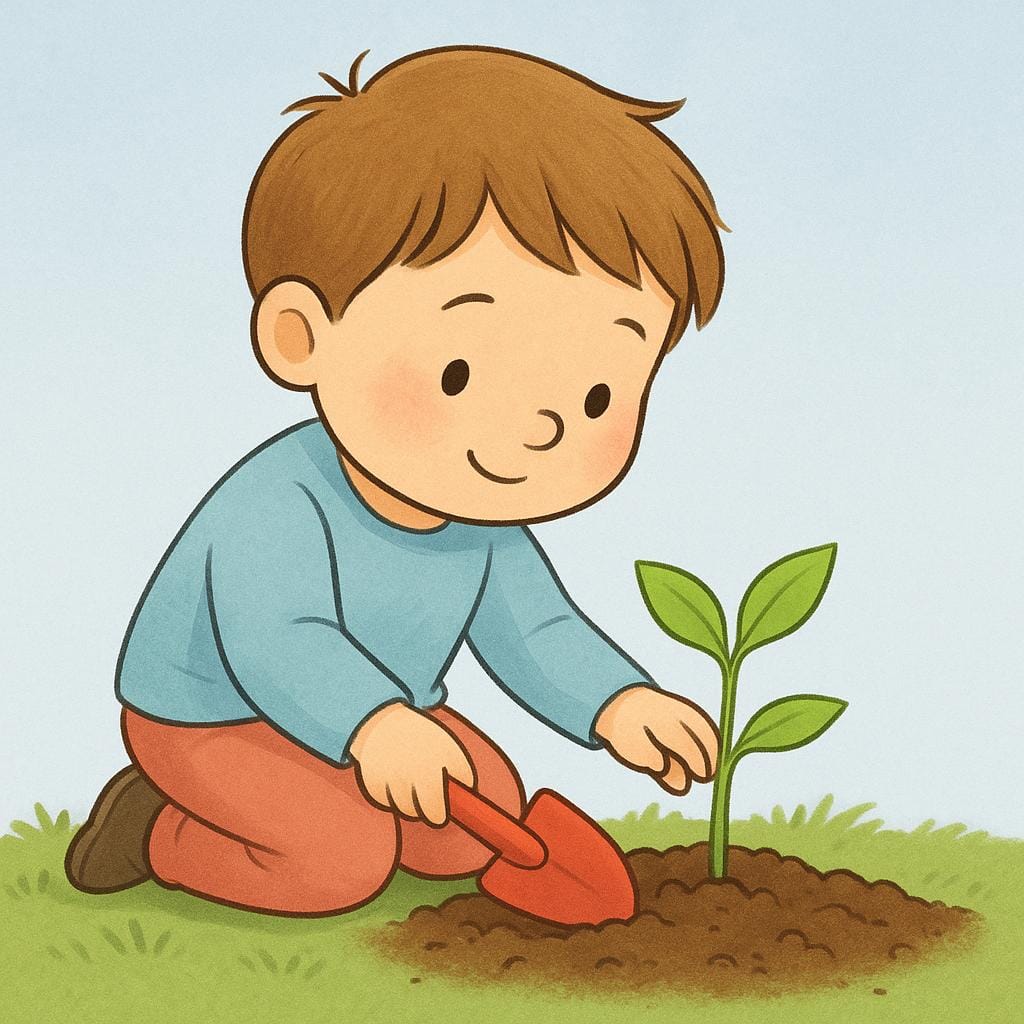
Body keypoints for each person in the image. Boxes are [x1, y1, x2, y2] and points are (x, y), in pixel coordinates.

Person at [66, 45, 727, 915]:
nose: (538, 428)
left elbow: (536, 626)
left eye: (597, 392)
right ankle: (155, 828)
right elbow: (277, 639)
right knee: (336, 865)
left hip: (385, 714)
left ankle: (338, 781)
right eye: (460, 372)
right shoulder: (277, 502)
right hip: (215, 719)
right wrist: (372, 726)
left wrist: (617, 702)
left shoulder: (484, 527)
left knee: (466, 825)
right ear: (302, 337)